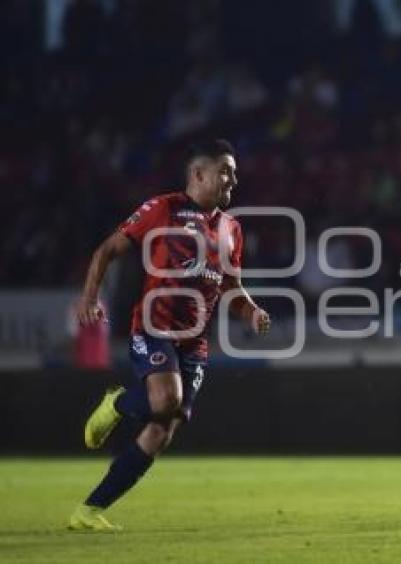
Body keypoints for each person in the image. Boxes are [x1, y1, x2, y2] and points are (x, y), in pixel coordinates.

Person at [68, 139, 271, 530]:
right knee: (166, 400)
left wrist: (252, 310)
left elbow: (231, 287)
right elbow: (108, 249)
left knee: (163, 429)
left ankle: (90, 510)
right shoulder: (164, 208)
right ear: (198, 174)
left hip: (194, 342)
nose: (233, 179)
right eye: (225, 171)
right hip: (153, 326)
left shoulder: (232, 229)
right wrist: (89, 297)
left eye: (235, 172)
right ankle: (118, 404)